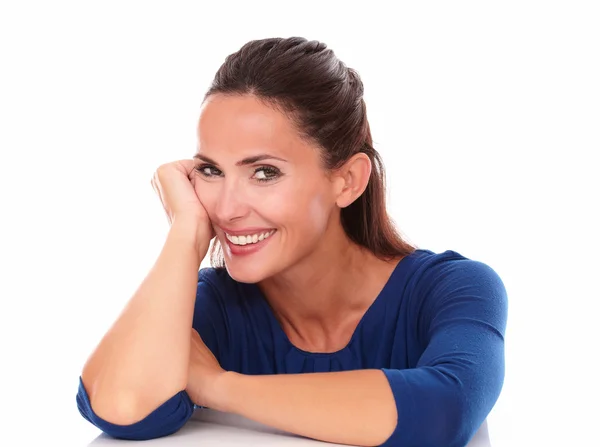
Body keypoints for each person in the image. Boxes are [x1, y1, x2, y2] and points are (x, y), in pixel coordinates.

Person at [76, 37, 507, 447]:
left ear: (347, 180)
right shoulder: (214, 306)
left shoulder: (452, 289)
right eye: (210, 171)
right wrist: (185, 232)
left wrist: (218, 386)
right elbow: (121, 407)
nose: (226, 210)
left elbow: (444, 410)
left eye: (264, 173)